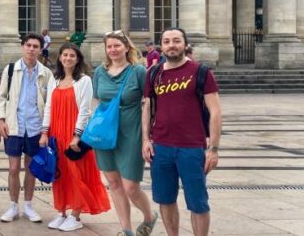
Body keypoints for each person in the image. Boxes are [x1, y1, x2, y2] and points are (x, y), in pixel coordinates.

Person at [142, 28, 222, 236]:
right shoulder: (153, 73)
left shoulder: (201, 72)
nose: (171, 45)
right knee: (165, 199)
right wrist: (145, 140)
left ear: (185, 44)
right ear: (161, 46)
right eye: (167, 41)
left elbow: (215, 111)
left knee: (198, 203)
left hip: (192, 148)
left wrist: (213, 149)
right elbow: (147, 108)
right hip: (160, 147)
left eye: (176, 41)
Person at [93, 30, 158, 236]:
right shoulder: (99, 72)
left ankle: (149, 216)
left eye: (117, 46)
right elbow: (96, 101)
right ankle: (126, 229)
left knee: (130, 186)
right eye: (109, 46)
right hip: (105, 133)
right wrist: (93, 128)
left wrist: (148, 137)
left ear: (127, 47)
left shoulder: (138, 71)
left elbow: (147, 103)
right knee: (113, 182)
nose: (113, 50)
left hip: (131, 131)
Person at [40, 43, 110, 232]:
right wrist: (44, 132)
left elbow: (85, 111)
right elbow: (48, 108)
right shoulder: (55, 80)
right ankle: (62, 211)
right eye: (65, 55)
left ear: (78, 59)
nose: (68, 58)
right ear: (60, 58)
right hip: (56, 132)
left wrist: (76, 136)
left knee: (76, 173)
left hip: (73, 133)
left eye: (72, 55)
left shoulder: (84, 80)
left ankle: (76, 215)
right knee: (59, 173)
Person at [0, 33, 53, 223]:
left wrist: (45, 130)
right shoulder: (11, 70)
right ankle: (13, 205)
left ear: (41, 49)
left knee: (30, 168)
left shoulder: (46, 73)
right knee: (13, 168)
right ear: (22, 46)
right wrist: (1, 120)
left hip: (35, 127)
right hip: (14, 126)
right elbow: (1, 97)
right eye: (28, 45)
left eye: (36, 46)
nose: (31, 49)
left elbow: (49, 103)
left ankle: (28, 205)